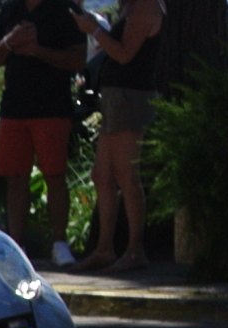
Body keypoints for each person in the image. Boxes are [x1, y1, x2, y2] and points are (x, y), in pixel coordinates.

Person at [0, 0, 85, 266]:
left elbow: (77, 58)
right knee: (15, 178)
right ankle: (17, 246)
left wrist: (37, 51)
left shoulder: (64, 10)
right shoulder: (10, 9)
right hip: (14, 107)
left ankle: (60, 245)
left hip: (52, 106)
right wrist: (10, 42)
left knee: (54, 175)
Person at [75, 0, 160, 270]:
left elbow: (125, 55)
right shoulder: (130, 7)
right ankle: (105, 249)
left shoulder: (145, 7)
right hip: (116, 97)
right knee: (102, 175)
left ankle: (135, 250)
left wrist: (94, 31)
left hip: (130, 98)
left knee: (126, 175)